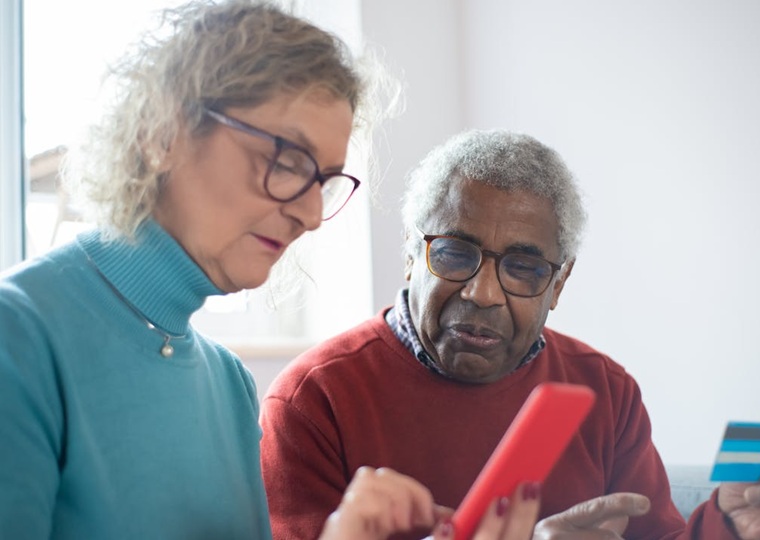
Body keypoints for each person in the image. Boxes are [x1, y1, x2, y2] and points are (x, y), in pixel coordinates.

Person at [0, 2, 543, 538]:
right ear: (161, 133)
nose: (309, 215)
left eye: (324, 182)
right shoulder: (19, 336)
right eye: (286, 161)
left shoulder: (227, 383)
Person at [259, 128, 760, 540]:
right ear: (412, 255)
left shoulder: (605, 392)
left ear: (558, 285)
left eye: (524, 268)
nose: (483, 293)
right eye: (455, 253)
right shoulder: (314, 399)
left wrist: (731, 527)